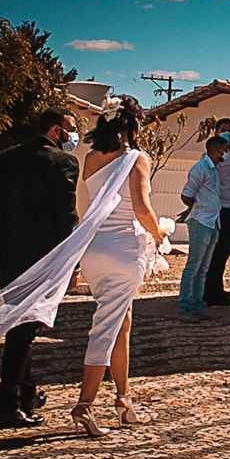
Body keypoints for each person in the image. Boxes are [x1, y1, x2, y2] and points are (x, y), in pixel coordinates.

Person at [69, 98, 168, 437]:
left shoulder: (91, 158)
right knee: (107, 326)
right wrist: (160, 233)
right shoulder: (137, 158)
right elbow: (142, 209)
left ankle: (124, 399)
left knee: (122, 321)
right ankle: (84, 404)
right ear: (134, 127)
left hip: (94, 250)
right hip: (124, 250)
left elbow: (90, 206)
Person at [0, 108, 81, 428]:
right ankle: (6, 404)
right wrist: (73, 264)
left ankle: (28, 392)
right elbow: (66, 218)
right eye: (71, 129)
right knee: (22, 331)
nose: (73, 136)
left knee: (21, 327)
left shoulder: (5, 159)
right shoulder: (63, 163)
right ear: (55, 130)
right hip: (41, 261)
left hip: (8, 258)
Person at [177, 134, 230, 317]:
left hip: (213, 221)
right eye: (224, 150)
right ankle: (185, 304)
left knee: (203, 268)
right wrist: (194, 208)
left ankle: (198, 305)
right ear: (216, 151)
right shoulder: (200, 169)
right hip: (201, 221)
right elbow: (187, 194)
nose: (225, 154)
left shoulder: (214, 170)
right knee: (194, 265)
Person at [202, 119, 230, 306]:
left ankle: (217, 288)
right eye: (223, 130)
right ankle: (210, 293)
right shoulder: (213, 156)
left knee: (226, 250)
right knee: (216, 252)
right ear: (216, 133)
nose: (227, 133)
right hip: (220, 209)